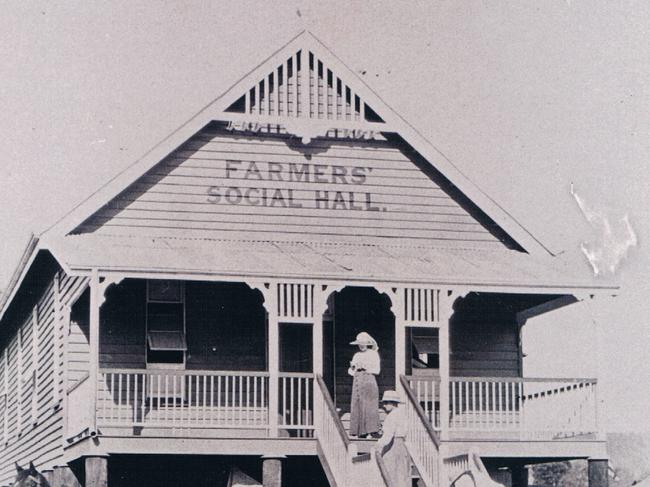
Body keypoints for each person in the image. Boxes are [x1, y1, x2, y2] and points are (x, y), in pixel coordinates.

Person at [348, 331, 381, 438]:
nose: (361, 346)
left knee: (370, 405)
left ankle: (372, 430)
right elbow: (351, 371)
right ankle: (360, 431)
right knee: (358, 404)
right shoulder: (356, 355)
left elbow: (377, 370)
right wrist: (354, 367)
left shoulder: (373, 354)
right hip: (358, 381)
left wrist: (365, 366)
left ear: (367, 343)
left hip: (369, 380)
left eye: (363, 344)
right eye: (360, 344)